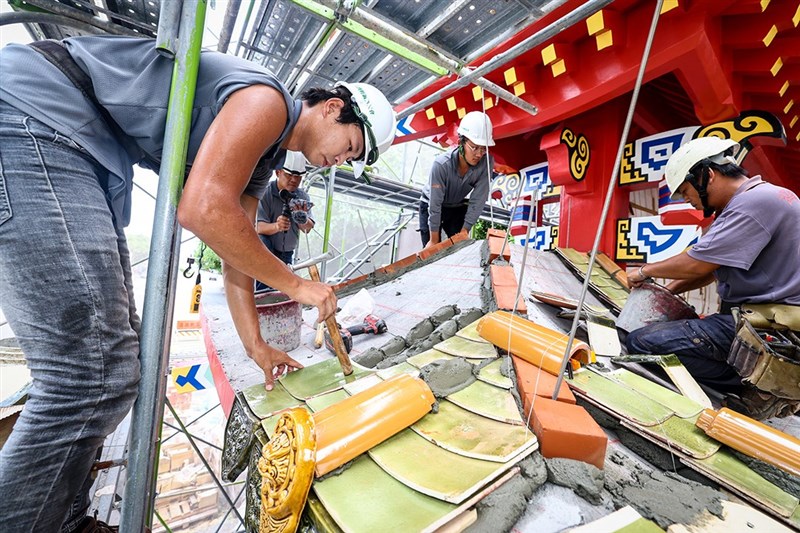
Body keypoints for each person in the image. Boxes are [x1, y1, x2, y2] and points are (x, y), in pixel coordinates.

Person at [0, 35, 395, 532]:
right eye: (350, 146)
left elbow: (235, 252)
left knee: (112, 364)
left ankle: (67, 521)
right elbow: (202, 209)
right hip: (38, 118)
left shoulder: (264, 160)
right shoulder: (269, 102)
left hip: (75, 143)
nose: (341, 160)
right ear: (333, 108)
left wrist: (256, 346)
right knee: (89, 375)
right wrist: (298, 286)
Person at [626, 137, 800, 418]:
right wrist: (665, 295)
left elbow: (698, 264)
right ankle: (765, 378)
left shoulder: (754, 203)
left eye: (685, 191)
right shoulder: (758, 199)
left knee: (642, 342)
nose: (688, 201)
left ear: (707, 174)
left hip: (767, 326)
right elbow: (709, 268)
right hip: (768, 321)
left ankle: (765, 384)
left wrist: (644, 271)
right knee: (669, 333)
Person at [419, 111, 495, 248]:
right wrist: (433, 241)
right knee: (431, 251)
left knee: (460, 248)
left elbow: (478, 199)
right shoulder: (441, 165)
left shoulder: (486, 163)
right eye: (475, 147)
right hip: (431, 204)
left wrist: (464, 232)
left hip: (455, 206)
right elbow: (435, 204)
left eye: (484, 149)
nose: (479, 154)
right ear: (461, 143)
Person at [255, 150, 315, 292]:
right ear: (278, 172)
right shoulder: (265, 192)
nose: (294, 180)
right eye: (289, 175)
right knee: (264, 291)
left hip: (287, 254)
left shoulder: (302, 196)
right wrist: (277, 226)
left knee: (282, 291)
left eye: (298, 176)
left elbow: (308, 228)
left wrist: (302, 219)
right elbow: (257, 227)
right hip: (265, 253)